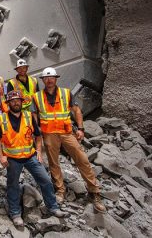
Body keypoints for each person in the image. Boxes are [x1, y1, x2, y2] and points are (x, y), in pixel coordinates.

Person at [32, 67, 106, 213]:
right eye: (46, 78)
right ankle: (60, 191)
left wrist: (81, 128)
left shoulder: (66, 93)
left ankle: (94, 192)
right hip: (49, 134)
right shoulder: (37, 96)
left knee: (82, 159)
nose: (49, 80)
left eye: (51, 77)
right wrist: (37, 130)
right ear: (43, 80)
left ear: (56, 78)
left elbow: (76, 110)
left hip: (66, 133)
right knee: (54, 163)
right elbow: (34, 115)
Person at [0, 91, 67, 227]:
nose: (16, 102)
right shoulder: (2, 118)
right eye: (13, 101)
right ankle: (15, 214)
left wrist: (39, 151)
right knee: (13, 185)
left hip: (30, 157)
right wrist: (1, 156)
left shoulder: (28, 116)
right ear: (8, 103)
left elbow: (38, 136)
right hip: (13, 158)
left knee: (45, 180)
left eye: (18, 100)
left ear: (22, 102)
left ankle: (53, 207)